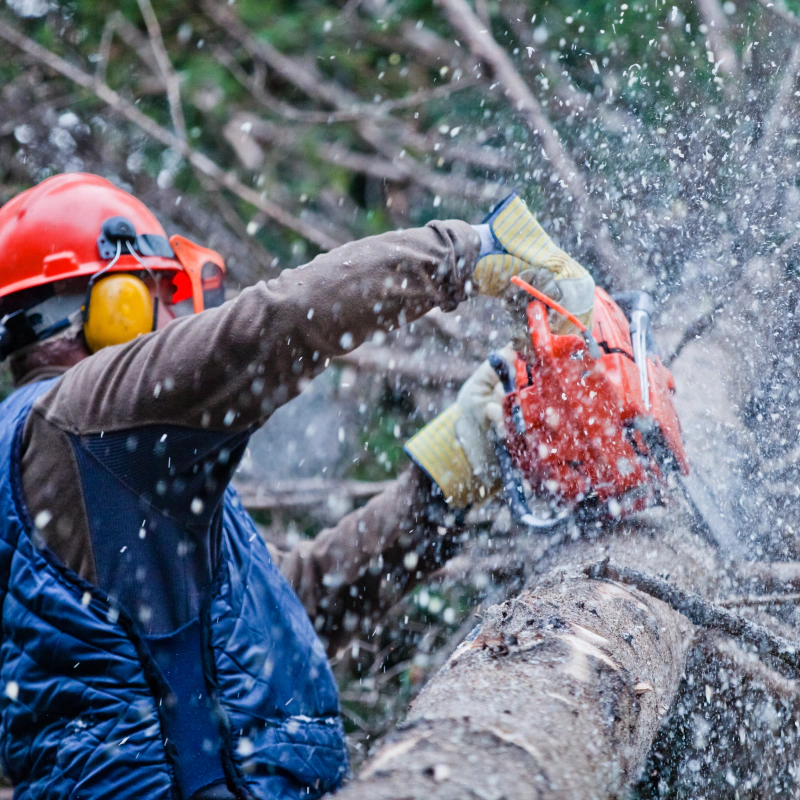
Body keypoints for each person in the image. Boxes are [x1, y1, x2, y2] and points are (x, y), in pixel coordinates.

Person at [0, 173, 594, 800]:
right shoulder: (83, 420)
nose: (174, 316)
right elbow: (270, 326)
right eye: (157, 293)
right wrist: (468, 251)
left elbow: (296, 604)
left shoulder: (98, 472)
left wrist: (445, 479)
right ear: (110, 304)